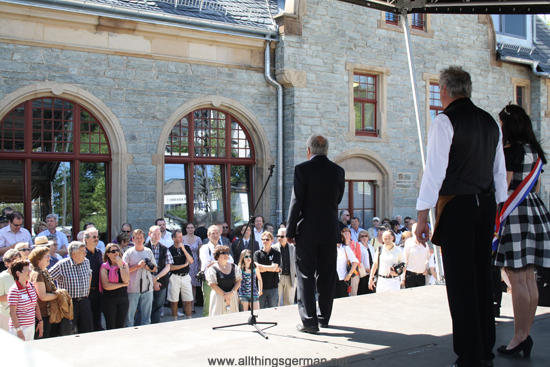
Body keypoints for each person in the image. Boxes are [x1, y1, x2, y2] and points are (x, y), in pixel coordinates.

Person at [415, 66, 507, 367]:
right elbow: (498, 172)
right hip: (486, 205)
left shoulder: (445, 120)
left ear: (445, 91)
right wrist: (499, 210)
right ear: (467, 89)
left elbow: (435, 172)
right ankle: (484, 350)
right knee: (481, 277)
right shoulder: (489, 122)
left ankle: (468, 354)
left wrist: (422, 215)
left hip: (457, 206)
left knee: (461, 281)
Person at [494, 104, 550, 358]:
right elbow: (535, 186)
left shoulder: (510, 151)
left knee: (517, 280)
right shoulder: (534, 151)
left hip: (514, 214)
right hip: (534, 211)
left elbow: (503, 188)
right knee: (529, 278)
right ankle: (525, 334)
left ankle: (518, 337)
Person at [286, 133, 345, 334]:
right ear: (326, 150)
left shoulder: (302, 169)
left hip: (308, 231)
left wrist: (290, 230)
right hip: (329, 229)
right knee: (327, 276)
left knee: (305, 275)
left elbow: (297, 202)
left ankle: (310, 321)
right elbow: (337, 199)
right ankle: (324, 317)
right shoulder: (338, 171)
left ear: (308, 150)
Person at [49, 241, 93, 334]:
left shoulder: (86, 262)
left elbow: (89, 274)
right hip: (69, 303)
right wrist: (56, 293)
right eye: (82, 251)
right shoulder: (62, 265)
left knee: (87, 330)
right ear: (74, 253)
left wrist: (87, 290)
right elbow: (48, 278)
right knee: (68, 330)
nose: (85, 253)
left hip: (84, 301)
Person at [28, 245, 70, 338]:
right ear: (38, 260)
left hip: (50, 314)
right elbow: (42, 296)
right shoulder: (37, 274)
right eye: (46, 256)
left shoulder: (44, 271)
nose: (49, 258)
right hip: (42, 316)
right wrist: (59, 295)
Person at [122, 229, 157, 327]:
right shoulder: (128, 253)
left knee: (146, 318)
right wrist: (137, 266)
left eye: (141, 238)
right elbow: (123, 271)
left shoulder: (148, 251)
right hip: (133, 288)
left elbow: (154, 268)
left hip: (147, 288)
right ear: (132, 239)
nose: (139, 240)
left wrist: (148, 267)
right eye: (137, 238)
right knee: (129, 318)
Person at [200, 225, 235, 317]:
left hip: (224, 280)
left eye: (217, 233)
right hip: (209, 281)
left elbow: (231, 261)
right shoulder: (204, 248)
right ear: (208, 235)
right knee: (208, 306)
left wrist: (215, 262)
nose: (215, 235)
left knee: (223, 305)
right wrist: (222, 261)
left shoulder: (223, 248)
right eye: (212, 233)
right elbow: (206, 264)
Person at [7, 259, 42, 341]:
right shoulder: (13, 290)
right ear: (18, 273)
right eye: (26, 270)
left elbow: (35, 305)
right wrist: (19, 331)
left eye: (29, 269)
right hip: (19, 329)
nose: (30, 271)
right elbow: (12, 312)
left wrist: (40, 321)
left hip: (30, 326)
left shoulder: (31, 285)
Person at [145, 225, 173, 323]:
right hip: (146, 281)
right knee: (145, 306)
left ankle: (154, 325)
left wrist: (156, 278)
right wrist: (151, 278)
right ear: (149, 234)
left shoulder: (164, 249)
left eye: (158, 234)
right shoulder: (144, 248)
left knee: (158, 306)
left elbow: (168, 267)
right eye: (154, 234)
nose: (156, 236)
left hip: (161, 281)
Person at [100, 243, 129, 330]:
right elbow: (106, 286)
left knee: (121, 325)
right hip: (109, 300)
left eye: (117, 250)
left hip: (123, 299)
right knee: (111, 326)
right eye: (113, 251)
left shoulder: (124, 265)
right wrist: (122, 285)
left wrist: (120, 266)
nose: (116, 253)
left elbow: (126, 280)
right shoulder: (104, 268)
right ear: (108, 254)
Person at [205, 245, 241, 316]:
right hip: (218, 297)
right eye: (223, 253)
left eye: (227, 253)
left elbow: (238, 281)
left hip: (232, 296)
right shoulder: (212, 269)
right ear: (217, 256)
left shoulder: (234, 267)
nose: (226, 255)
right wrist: (225, 296)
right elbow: (213, 285)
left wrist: (231, 294)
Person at [167, 229, 194, 320]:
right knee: (174, 300)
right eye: (178, 237)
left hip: (186, 276)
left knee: (188, 300)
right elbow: (170, 267)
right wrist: (184, 265)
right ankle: (175, 320)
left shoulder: (186, 248)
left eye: (181, 237)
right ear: (173, 238)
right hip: (175, 277)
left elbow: (191, 261)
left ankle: (189, 319)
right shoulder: (169, 250)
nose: (181, 239)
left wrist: (183, 249)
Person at [83, 227, 103, 332]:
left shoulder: (99, 252)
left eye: (97, 236)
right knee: (86, 321)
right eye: (93, 237)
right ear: (86, 239)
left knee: (97, 319)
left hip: (98, 291)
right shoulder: (82, 253)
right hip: (86, 292)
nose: (96, 239)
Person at [254, 231, 281, 308]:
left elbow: (274, 267)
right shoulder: (257, 254)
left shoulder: (276, 253)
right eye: (263, 239)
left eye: (267, 239)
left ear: (272, 240)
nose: (265, 241)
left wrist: (263, 268)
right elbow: (257, 269)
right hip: (260, 288)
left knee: (273, 309)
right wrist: (272, 268)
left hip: (273, 286)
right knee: (260, 310)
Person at [272, 227, 296, 306]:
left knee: (289, 302)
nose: (279, 238)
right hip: (278, 277)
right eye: (278, 236)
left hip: (290, 277)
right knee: (276, 302)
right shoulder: (273, 248)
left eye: (282, 236)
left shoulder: (293, 248)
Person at [401, 224, 430, 289]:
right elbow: (404, 261)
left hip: (421, 276)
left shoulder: (425, 243)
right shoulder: (409, 243)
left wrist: (427, 268)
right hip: (410, 276)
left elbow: (428, 258)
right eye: (414, 231)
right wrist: (403, 278)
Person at [182, 222, 202, 314]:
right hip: (185, 263)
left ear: (194, 228)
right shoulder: (182, 239)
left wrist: (200, 265)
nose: (190, 229)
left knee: (193, 286)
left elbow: (200, 253)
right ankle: (185, 306)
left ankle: (192, 306)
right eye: (188, 227)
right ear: (186, 229)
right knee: (184, 286)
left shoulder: (198, 239)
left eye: (191, 227)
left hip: (194, 264)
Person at [0, 249, 20, 331]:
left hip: (22, 314)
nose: (17, 262)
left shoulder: (24, 274)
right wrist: (16, 295)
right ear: (6, 264)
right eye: (14, 260)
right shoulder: (2, 277)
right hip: (6, 314)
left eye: (19, 259)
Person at [341, 227, 361, 296]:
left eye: (348, 233)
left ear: (350, 234)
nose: (346, 235)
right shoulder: (340, 246)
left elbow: (358, 258)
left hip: (353, 271)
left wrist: (351, 270)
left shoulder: (356, 244)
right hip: (342, 271)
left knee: (353, 292)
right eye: (345, 234)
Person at [357, 230, 375, 295]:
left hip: (371, 272)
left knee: (371, 291)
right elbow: (357, 260)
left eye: (366, 236)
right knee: (362, 291)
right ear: (359, 238)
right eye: (362, 236)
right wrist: (365, 269)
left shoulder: (371, 246)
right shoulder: (358, 246)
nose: (364, 238)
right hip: (362, 273)